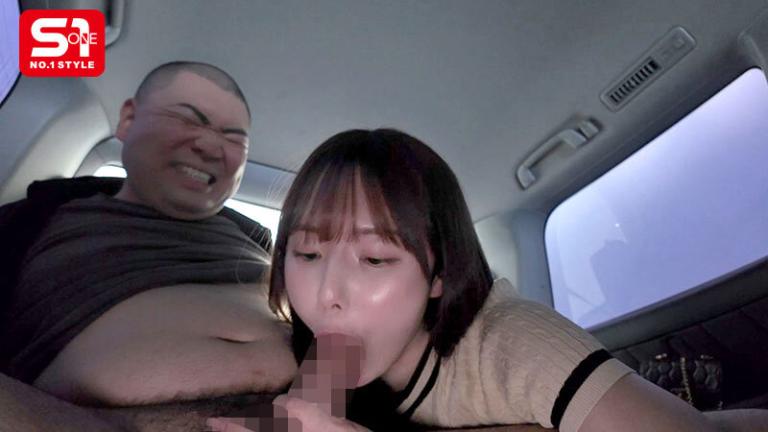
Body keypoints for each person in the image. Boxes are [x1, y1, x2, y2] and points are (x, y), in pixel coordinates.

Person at [209, 128, 725, 432]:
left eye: (374, 260)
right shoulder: (323, 354)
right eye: (307, 253)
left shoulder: (516, 346)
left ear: (439, 274)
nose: (326, 296)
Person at [0, 61, 296, 414]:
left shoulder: (271, 248)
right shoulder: (27, 223)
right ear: (128, 120)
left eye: (234, 139)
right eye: (187, 119)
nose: (210, 146)